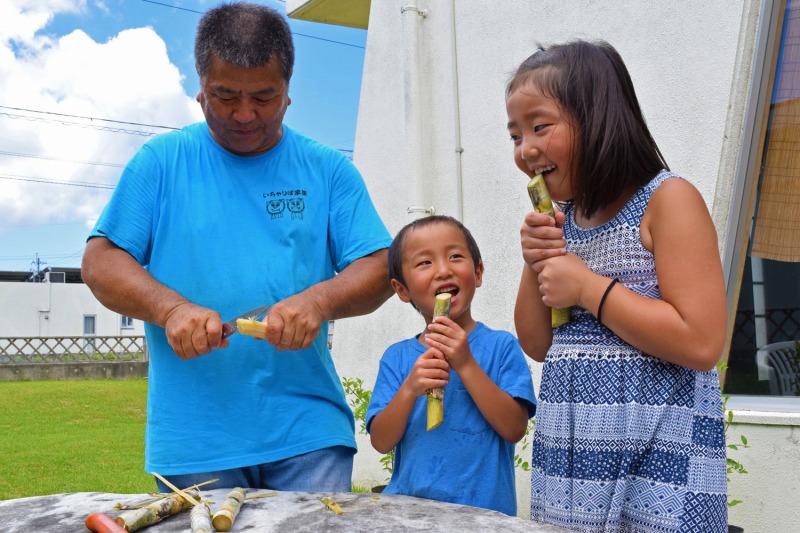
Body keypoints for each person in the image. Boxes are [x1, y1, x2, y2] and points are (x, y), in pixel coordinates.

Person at [81, 2, 393, 493]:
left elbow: (379, 265)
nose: (244, 114)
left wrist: (320, 300)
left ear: (288, 92)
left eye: (263, 97)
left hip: (309, 433)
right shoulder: (160, 163)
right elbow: (100, 261)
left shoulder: (328, 170)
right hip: (195, 440)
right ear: (200, 88)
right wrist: (171, 309)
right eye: (225, 96)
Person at [507, 40, 728, 532]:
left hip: (662, 466)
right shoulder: (563, 220)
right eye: (516, 135)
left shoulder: (668, 201)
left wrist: (588, 288)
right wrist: (536, 259)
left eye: (540, 126)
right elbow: (539, 343)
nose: (526, 149)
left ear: (599, 117)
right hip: (574, 470)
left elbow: (702, 340)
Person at [365, 215, 536, 516]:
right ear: (402, 290)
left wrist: (466, 364)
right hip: (412, 515)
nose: (443, 270)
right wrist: (409, 390)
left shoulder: (501, 347)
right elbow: (380, 441)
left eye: (455, 256)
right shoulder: (399, 358)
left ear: (478, 271)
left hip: (483, 518)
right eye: (424, 263)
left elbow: (514, 428)